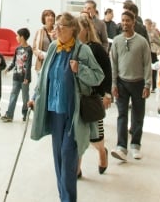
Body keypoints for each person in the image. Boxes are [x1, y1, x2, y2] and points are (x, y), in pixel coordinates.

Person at [28, 12, 104, 202]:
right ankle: (63, 197)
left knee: (68, 157)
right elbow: (44, 76)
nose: (57, 28)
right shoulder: (54, 47)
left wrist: (80, 69)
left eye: (62, 25)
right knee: (58, 158)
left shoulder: (82, 51)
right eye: (57, 25)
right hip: (54, 112)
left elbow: (98, 76)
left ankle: (68, 199)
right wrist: (34, 96)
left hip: (73, 114)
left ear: (73, 29)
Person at [110, 10, 152, 162]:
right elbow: (113, 64)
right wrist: (113, 83)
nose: (125, 23)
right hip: (121, 83)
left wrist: (147, 85)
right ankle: (121, 147)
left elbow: (147, 64)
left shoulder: (142, 42)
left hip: (139, 83)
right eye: (123, 20)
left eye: (128, 20)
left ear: (134, 22)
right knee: (122, 115)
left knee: (138, 115)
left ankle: (135, 145)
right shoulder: (116, 41)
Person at [76, 14, 112, 176]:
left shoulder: (96, 48)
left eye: (80, 28)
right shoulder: (73, 47)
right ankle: (76, 168)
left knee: (95, 136)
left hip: (93, 97)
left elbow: (107, 71)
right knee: (78, 135)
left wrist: (107, 94)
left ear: (87, 30)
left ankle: (102, 152)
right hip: (76, 97)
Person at [3, 28, 33, 122]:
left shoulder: (29, 50)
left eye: (17, 35)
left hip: (24, 78)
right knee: (13, 95)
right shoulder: (17, 49)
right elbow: (14, 62)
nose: (16, 37)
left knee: (25, 98)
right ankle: (9, 115)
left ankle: (25, 114)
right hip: (16, 77)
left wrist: (27, 78)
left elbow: (28, 65)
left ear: (22, 37)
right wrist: (8, 69)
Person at [33, 9, 56, 74]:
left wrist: (56, 37)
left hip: (54, 62)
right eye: (48, 15)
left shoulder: (57, 31)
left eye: (52, 16)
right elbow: (34, 48)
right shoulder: (39, 32)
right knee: (41, 83)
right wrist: (38, 54)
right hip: (42, 62)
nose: (50, 17)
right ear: (44, 18)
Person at [144, 18, 160, 92]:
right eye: (145, 24)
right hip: (146, 51)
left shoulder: (154, 32)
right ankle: (146, 84)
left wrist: (153, 39)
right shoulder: (143, 32)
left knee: (154, 68)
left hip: (153, 51)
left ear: (150, 24)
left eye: (147, 24)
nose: (146, 25)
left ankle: (154, 86)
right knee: (146, 68)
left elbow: (159, 42)